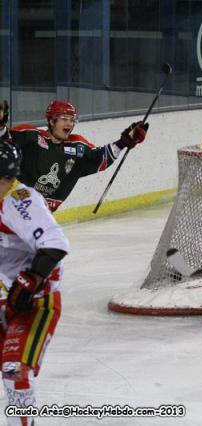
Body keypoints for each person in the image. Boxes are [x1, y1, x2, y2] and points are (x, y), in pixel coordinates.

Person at [0, 141, 69, 426]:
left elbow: (54, 246)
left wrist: (29, 281)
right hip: (5, 299)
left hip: (35, 302)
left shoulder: (20, 200)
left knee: (14, 369)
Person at [0, 100, 148, 212]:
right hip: (10, 207)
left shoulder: (77, 146)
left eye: (72, 120)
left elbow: (100, 157)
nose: (69, 124)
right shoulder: (31, 136)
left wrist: (124, 142)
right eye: (64, 119)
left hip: (39, 216)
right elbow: (5, 141)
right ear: (51, 121)